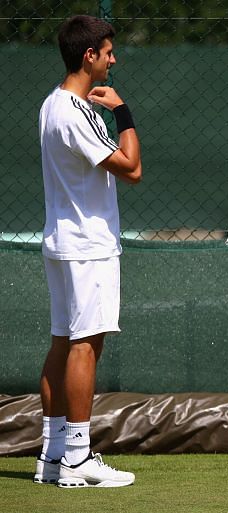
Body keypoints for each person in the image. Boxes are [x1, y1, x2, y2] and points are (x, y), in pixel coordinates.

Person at [35, 15, 142, 488]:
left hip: (63, 243)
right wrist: (123, 113)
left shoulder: (49, 105)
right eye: (108, 51)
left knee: (64, 342)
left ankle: (53, 456)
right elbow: (131, 168)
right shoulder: (77, 112)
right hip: (86, 244)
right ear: (89, 56)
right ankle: (77, 458)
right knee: (85, 344)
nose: (113, 58)